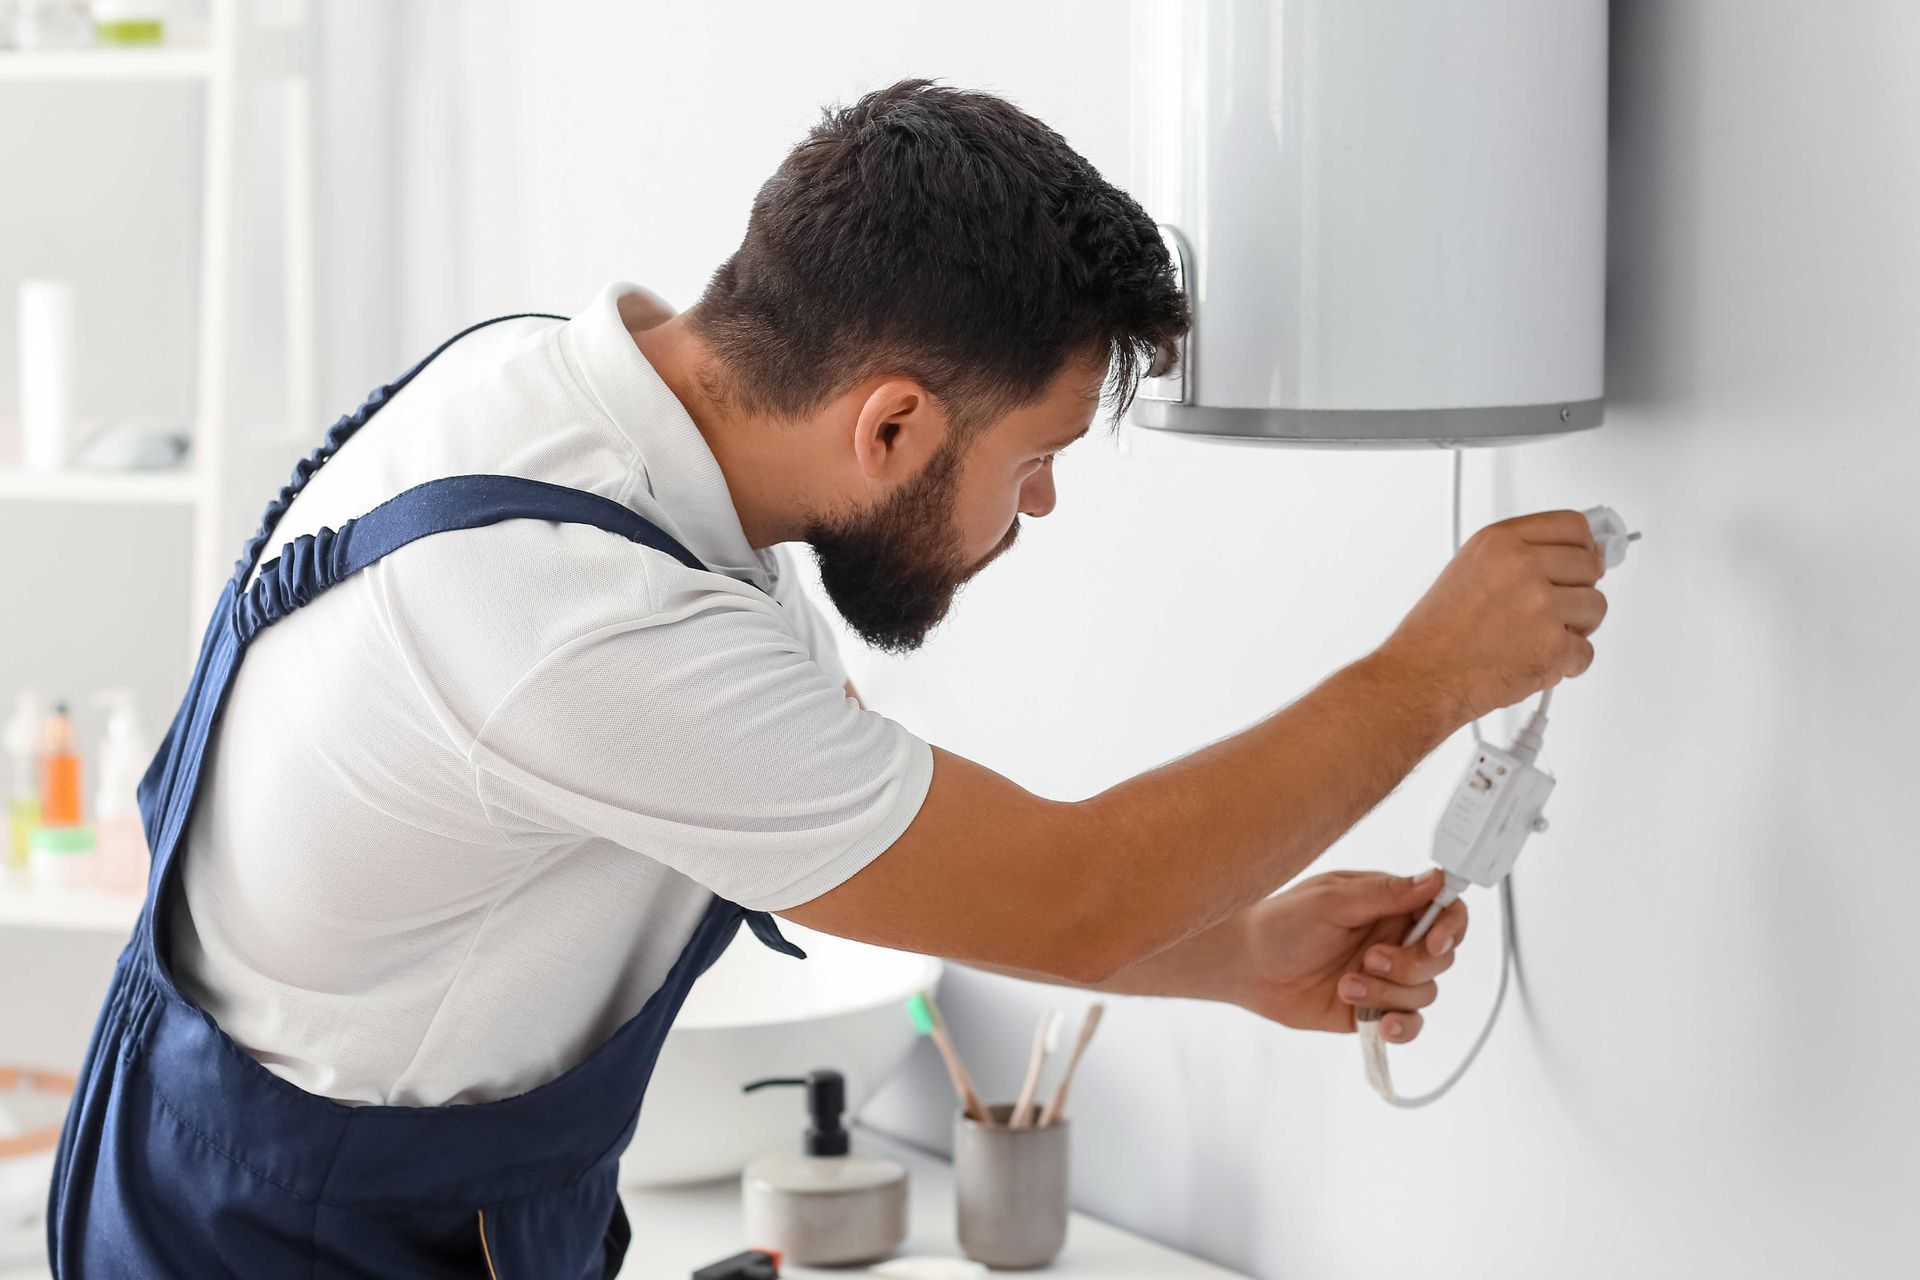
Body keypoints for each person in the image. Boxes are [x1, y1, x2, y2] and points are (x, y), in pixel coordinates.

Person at [48, 80, 1606, 1276]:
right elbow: (1076, 891)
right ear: (893, 426)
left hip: (286, 1162)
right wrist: (1430, 674)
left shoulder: (581, 414)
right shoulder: (585, 622)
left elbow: (851, 854)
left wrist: (1234, 954)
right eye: (1038, 460)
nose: (1040, 510)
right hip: (288, 1236)